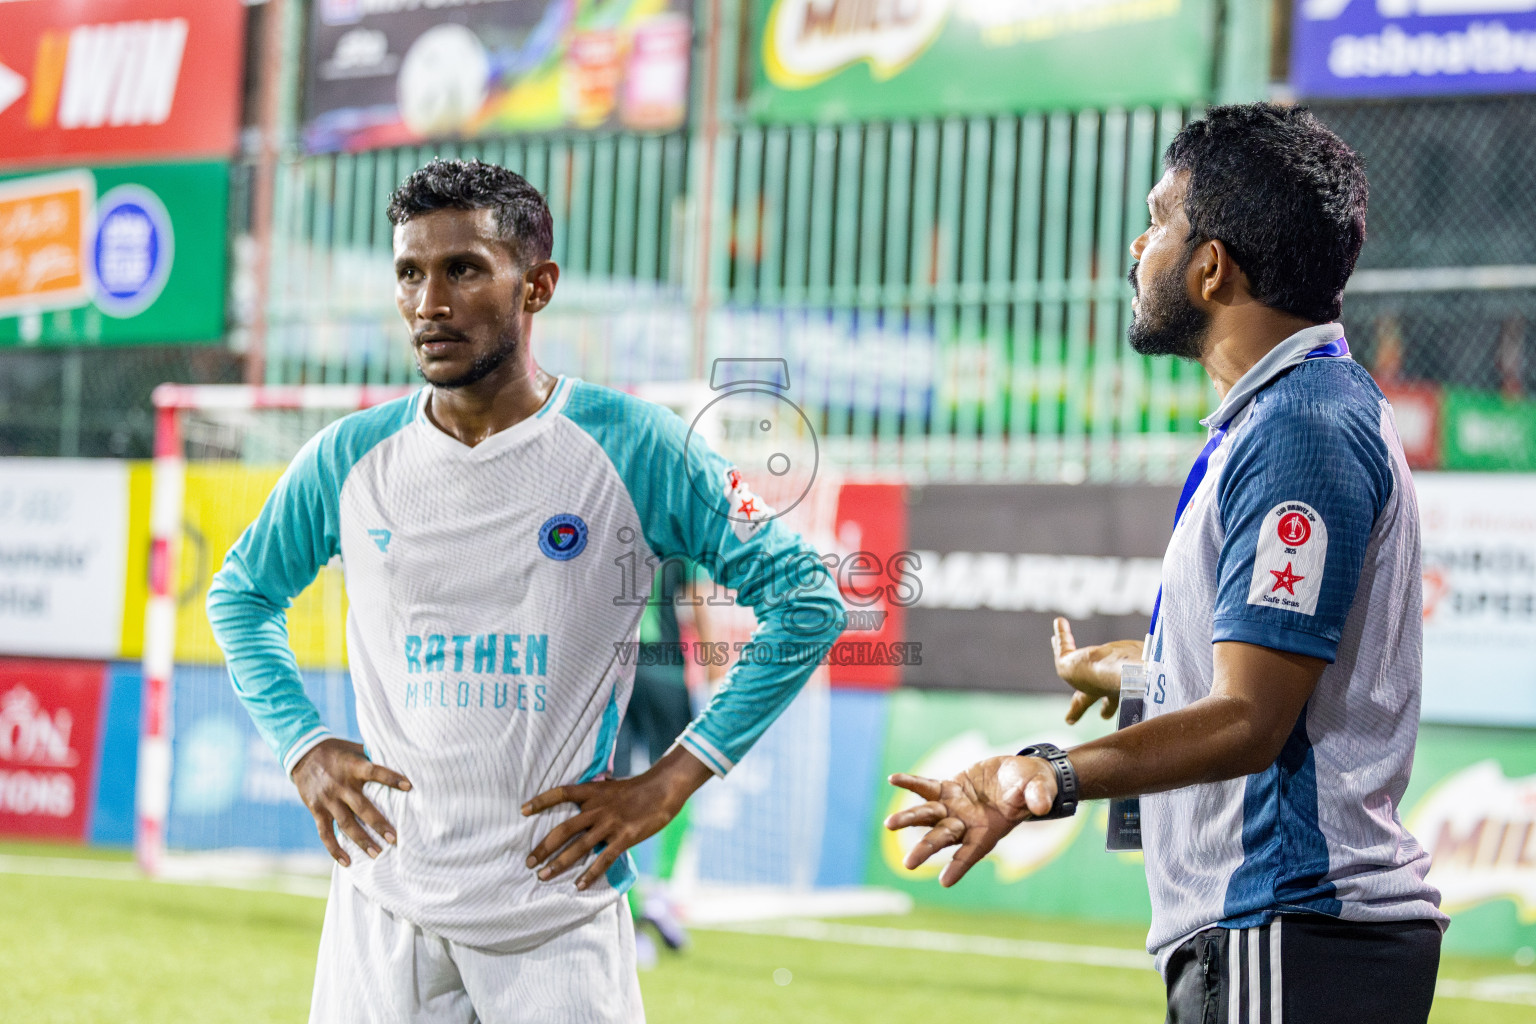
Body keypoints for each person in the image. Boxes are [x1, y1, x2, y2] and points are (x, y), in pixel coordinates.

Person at [206, 158, 844, 1024]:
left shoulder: (636, 446)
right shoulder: (348, 459)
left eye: (463, 269)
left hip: (555, 914)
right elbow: (241, 596)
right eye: (409, 273)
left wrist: (670, 780)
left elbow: (808, 600)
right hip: (382, 907)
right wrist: (302, 744)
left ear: (536, 285)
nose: (430, 303)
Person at [885, 103, 1446, 1024]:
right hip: (1287, 939)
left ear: (1211, 266)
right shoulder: (1285, 414)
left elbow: (1252, 719)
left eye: (1158, 221)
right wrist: (1141, 670)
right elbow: (1273, 683)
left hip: (1288, 930)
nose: (1137, 247)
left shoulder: (1300, 430)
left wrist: (1052, 772)